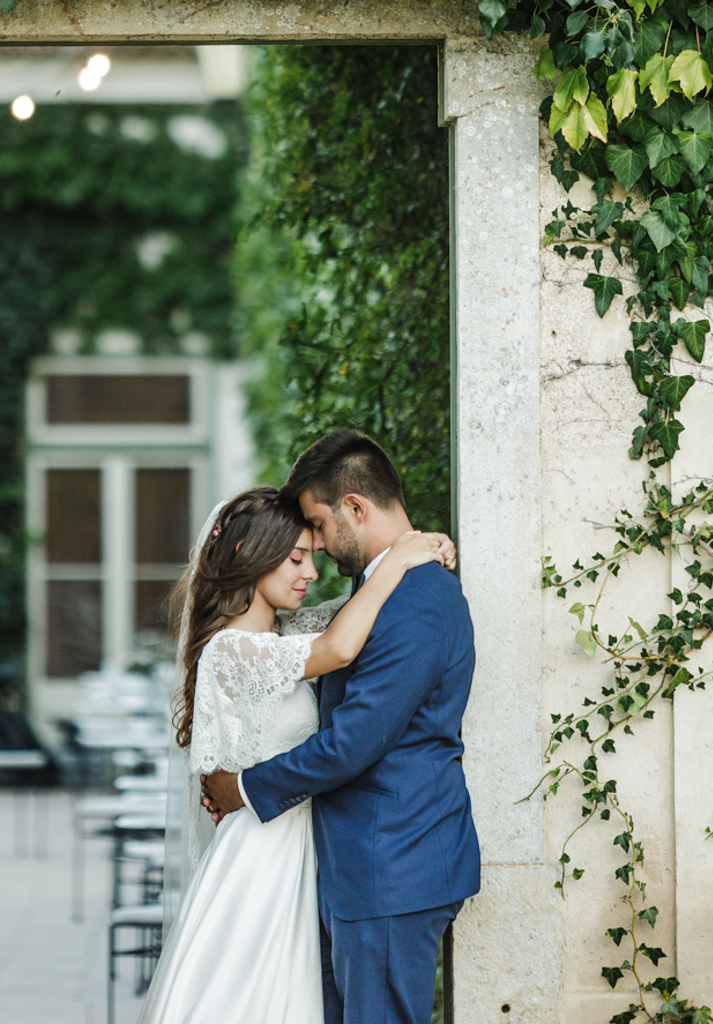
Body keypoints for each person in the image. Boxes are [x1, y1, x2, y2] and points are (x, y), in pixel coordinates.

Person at [138, 482, 453, 1024]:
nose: (310, 572)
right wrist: (402, 555)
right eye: (295, 559)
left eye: (311, 556)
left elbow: (358, 608)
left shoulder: (285, 631)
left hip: (309, 845)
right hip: (263, 855)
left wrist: (423, 547)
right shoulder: (231, 650)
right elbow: (340, 646)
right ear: (246, 555)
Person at [201, 429, 480, 1024]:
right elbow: (329, 646)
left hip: (392, 861)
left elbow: (352, 742)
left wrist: (245, 788)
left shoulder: (417, 598)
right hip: (358, 861)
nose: (318, 549)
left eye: (319, 527)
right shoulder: (380, 589)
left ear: (355, 507)